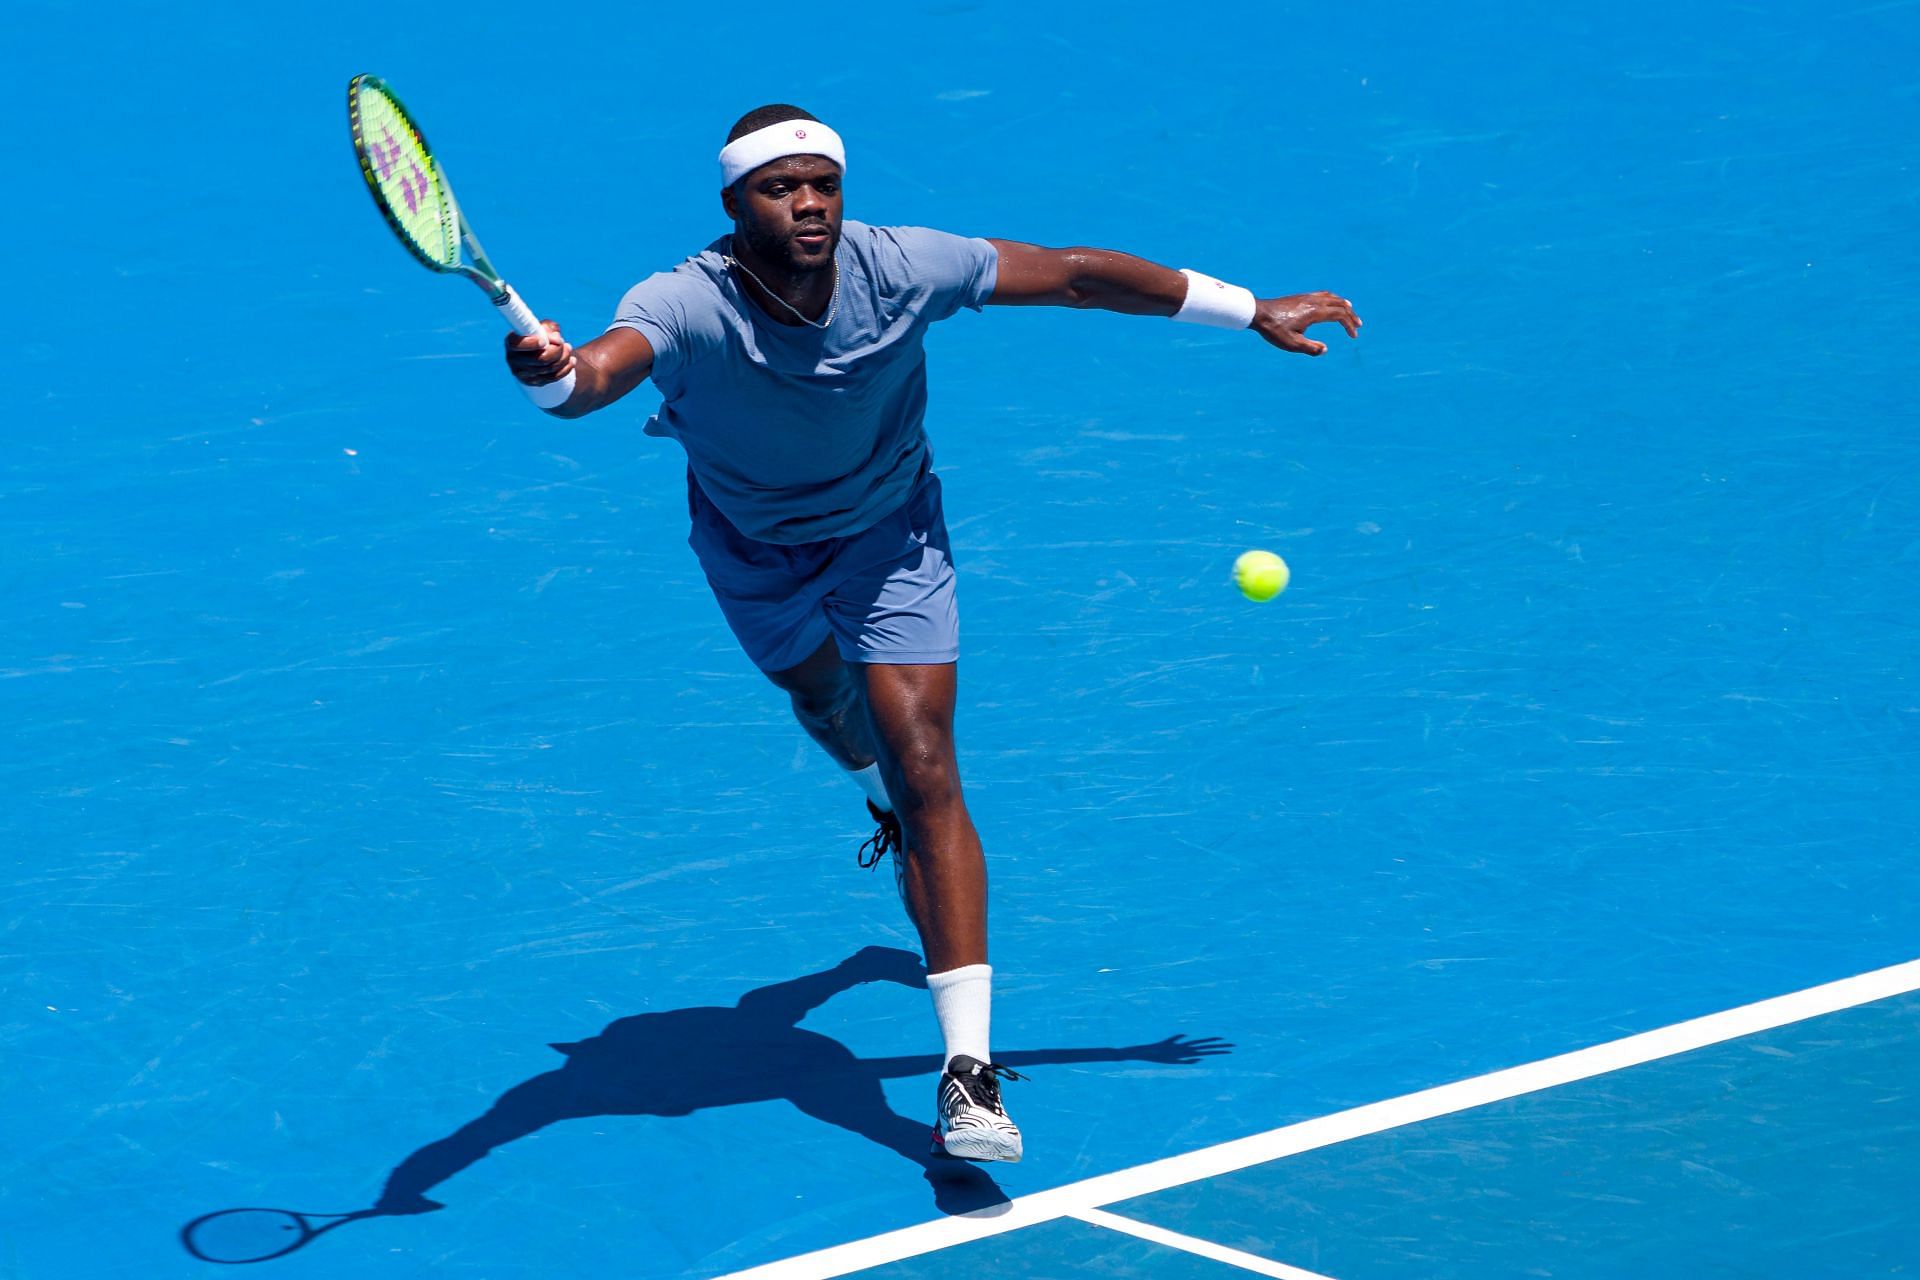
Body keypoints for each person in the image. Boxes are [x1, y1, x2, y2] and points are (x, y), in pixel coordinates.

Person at [503, 104, 1360, 1164]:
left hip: (887, 537)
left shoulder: (903, 265)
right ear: (735, 204)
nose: (809, 201)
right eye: (781, 187)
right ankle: (857, 758)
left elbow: (1077, 274)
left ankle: (966, 1075)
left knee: (925, 766)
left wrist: (1249, 309)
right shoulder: (683, 300)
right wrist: (554, 376)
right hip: (751, 547)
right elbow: (598, 374)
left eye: (823, 182)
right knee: (825, 703)